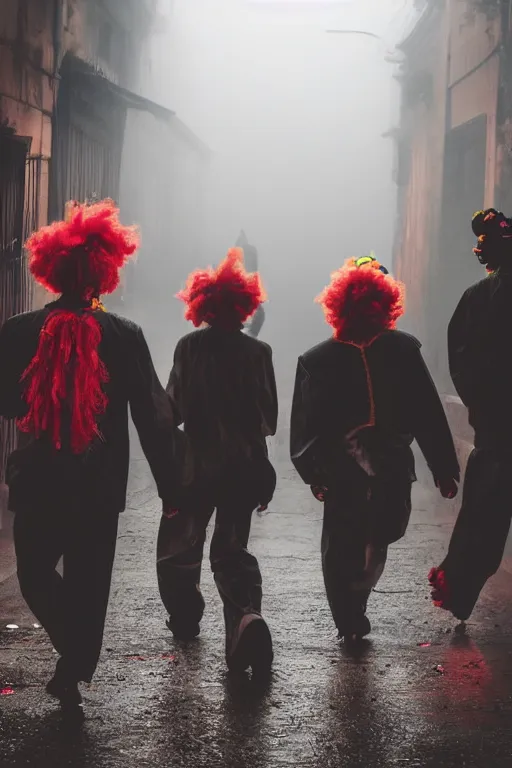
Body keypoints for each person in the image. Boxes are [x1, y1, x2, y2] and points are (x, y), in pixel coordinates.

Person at [0, 200, 181, 715]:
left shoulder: (19, 330)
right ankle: (76, 664)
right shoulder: (124, 336)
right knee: (89, 582)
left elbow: (5, 402)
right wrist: (170, 489)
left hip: (38, 481)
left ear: (51, 269)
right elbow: (154, 417)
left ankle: (72, 659)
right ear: (106, 271)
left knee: (33, 573)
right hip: (98, 487)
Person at [290, 254, 459, 641]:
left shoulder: (402, 350)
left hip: (391, 464)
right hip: (341, 469)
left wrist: (444, 466)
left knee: (381, 534)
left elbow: (426, 410)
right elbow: (306, 423)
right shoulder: (318, 360)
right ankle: (348, 617)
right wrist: (313, 473)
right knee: (341, 544)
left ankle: (356, 599)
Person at [157, 247, 277, 676]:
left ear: (202, 305)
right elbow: (269, 419)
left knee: (178, 549)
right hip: (244, 466)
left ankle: (186, 617)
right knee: (231, 550)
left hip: (195, 464)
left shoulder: (188, 347)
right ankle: (246, 616)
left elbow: (173, 410)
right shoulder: (258, 354)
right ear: (244, 307)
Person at [429, 208, 512, 622]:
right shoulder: (478, 296)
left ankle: (458, 594)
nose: (477, 249)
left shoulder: (477, 298)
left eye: (484, 242)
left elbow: (460, 360)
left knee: (481, 521)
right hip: (496, 430)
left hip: (496, 434)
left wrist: (481, 403)